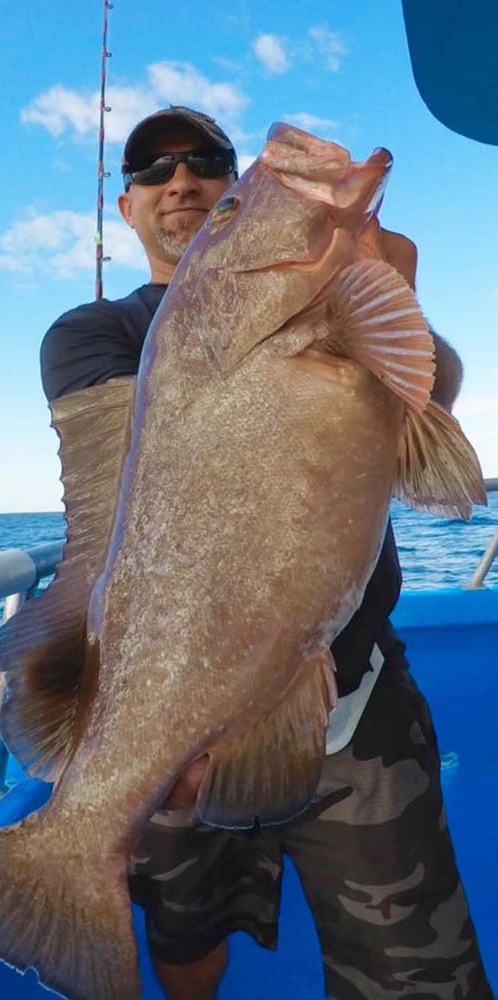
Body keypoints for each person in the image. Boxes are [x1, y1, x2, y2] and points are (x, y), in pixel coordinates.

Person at [40, 107, 492, 999]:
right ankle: (70, 868)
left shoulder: (344, 290)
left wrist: (379, 292)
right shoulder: (91, 334)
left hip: (353, 696)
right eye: (152, 172)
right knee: (187, 928)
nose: (182, 182)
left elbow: (431, 405)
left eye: (212, 171)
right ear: (125, 207)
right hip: (165, 711)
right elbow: (147, 496)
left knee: (418, 974)